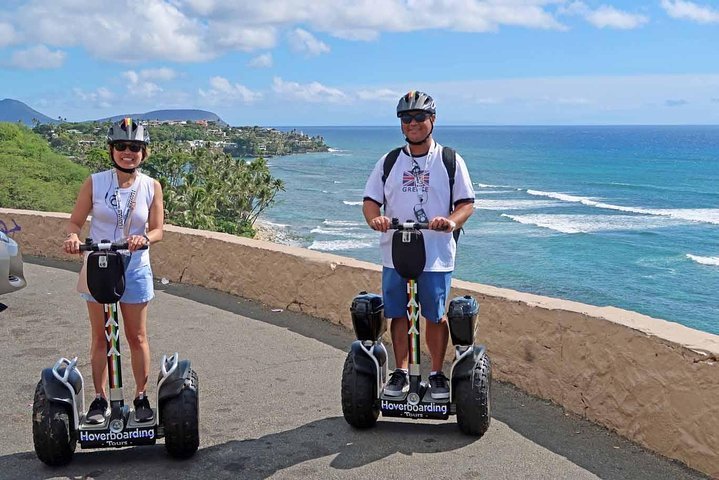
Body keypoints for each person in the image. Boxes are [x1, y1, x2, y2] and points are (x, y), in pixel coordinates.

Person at [362, 91, 475, 400]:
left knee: (435, 315)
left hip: (436, 254)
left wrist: (451, 221)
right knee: (398, 313)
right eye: (406, 119)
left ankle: (437, 373)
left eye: (419, 118)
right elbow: (371, 201)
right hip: (395, 250)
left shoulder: (449, 160)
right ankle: (399, 372)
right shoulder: (389, 161)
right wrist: (376, 220)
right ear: (401, 125)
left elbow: (466, 203)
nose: (412, 123)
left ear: (432, 120)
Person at [62, 118, 164, 424]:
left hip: (134, 267)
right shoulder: (95, 182)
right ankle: (100, 400)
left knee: (137, 336)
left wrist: (143, 237)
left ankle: (141, 397)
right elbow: (75, 221)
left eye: (135, 147)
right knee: (102, 338)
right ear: (112, 150)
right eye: (121, 146)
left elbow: (159, 229)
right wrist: (72, 237)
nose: (127, 152)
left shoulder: (151, 186)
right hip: (100, 266)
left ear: (144, 153)